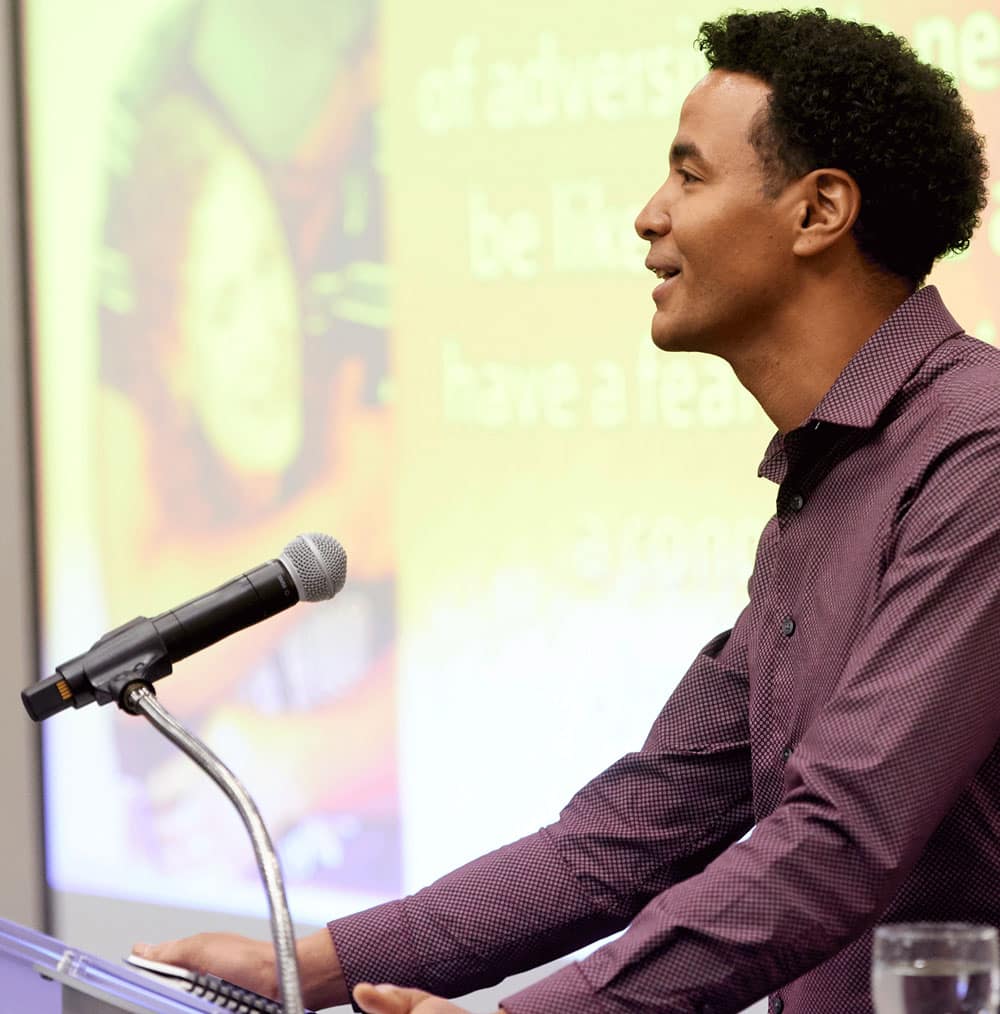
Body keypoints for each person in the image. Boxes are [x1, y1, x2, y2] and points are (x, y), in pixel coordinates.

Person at [131, 9, 998, 1013]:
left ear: (817, 212)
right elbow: (633, 830)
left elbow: (843, 838)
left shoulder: (975, 452)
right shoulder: (824, 488)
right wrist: (309, 968)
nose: (646, 214)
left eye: (689, 174)